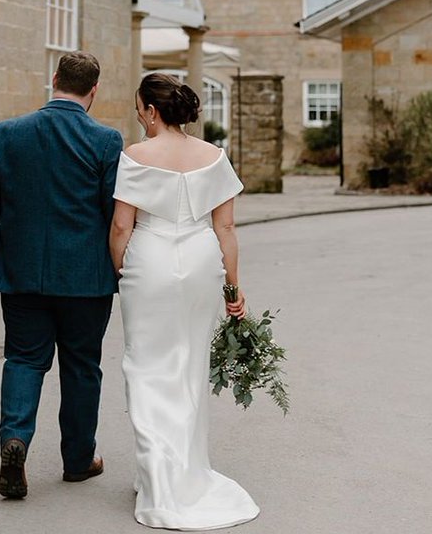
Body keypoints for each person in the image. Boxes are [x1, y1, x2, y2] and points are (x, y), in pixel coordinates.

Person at [110, 73, 260, 530]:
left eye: (140, 108)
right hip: (199, 261)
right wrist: (233, 288)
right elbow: (227, 230)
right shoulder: (214, 156)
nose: (138, 116)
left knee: (147, 364)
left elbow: (121, 226)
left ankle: (157, 475)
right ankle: (185, 472)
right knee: (188, 364)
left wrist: (120, 267)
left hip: (150, 262)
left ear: (152, 112)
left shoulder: (135, 155)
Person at [0, 50, 124, 501]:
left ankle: (14, 440)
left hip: (22, 274)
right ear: (93, 90)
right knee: (81, 367)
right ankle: (78, 460)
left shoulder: (8, 133)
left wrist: (4, 251)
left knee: (23, 359)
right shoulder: (105, 140)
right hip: (85, 279)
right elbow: (113, 212)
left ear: (54, 78)